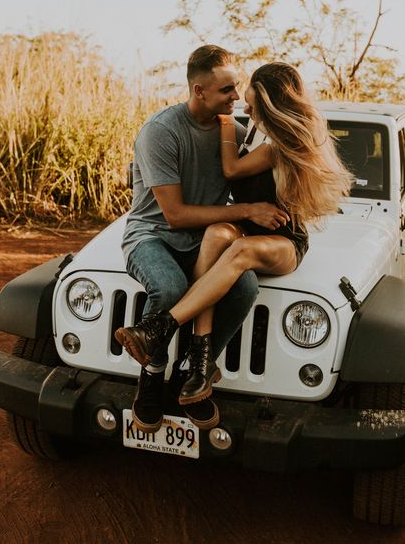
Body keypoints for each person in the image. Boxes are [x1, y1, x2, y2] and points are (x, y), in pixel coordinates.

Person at [118, 61, 352, 422]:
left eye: (248, 97)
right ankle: (190, 371)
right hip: (236, 228)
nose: (241, 103)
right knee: (216, 236)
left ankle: (165, 332)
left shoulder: (277, 142)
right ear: (200, 90)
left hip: (283, 239)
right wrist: (233, 131)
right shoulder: (248, 132)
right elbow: (195, 205)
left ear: (270, 101)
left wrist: (226, 125)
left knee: (239, 259)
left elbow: (230, 171)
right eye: (231, 92)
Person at [116, 46, 289, 433]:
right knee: (170, 286)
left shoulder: (235, 132)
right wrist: (247, 212)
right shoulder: (160, 132)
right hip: (153, 234)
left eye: (237, 87)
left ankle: (193, 377)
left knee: (244, 289)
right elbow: (174, 214)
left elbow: (262, 172)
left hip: (205, 239)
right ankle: (152, 377)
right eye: (228, 90)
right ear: (199, 91)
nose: (236, 97)